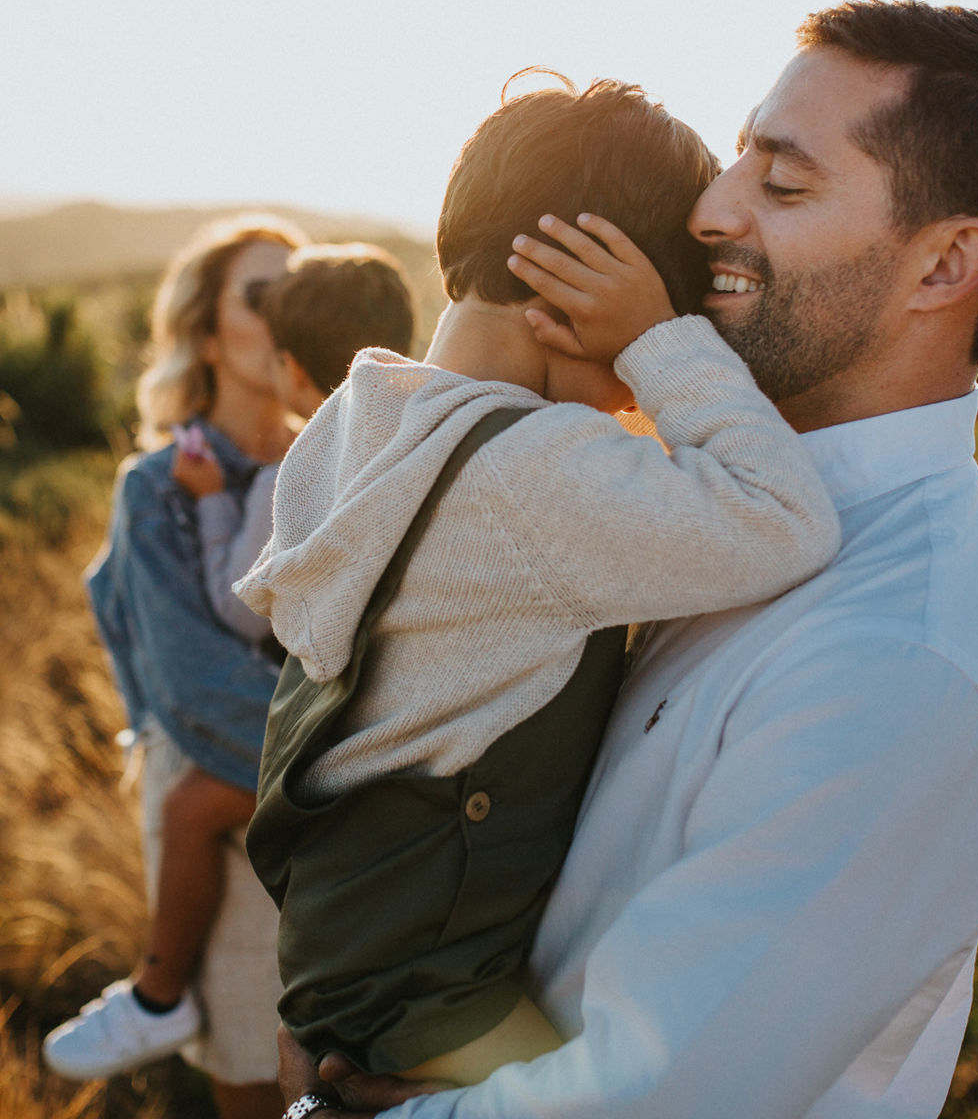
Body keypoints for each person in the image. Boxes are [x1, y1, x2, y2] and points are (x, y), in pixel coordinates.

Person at [278, 0, 978, 1118]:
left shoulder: (905, 653)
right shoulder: (659, 492)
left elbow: (663, 1097)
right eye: (739, 154)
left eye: (783, 183)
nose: (710, 211)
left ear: (946, 262)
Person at [235, 74, 842, 1087]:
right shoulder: (535, 472)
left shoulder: (363, 412)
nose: (633, 398)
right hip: (435, 990)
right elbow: (785, 519)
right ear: (576, 289)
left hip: (342, 949)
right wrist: (659, 340)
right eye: (659, 309)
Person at [45, 214, 302, 1119]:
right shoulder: (156, 488)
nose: (285, 313)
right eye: (259, 296)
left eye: (300, 291)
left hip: (323, 824)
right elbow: (198, 694)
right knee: (256, 1084)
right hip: (228, 807)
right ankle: (156, 992)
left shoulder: (340, 456)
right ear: (203, 332)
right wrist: (354, 760)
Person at [180, 246, 420, 646]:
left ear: (291, 370)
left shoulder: (289, 480)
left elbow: (241, 611)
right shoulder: (420, 439)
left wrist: (212, 499)